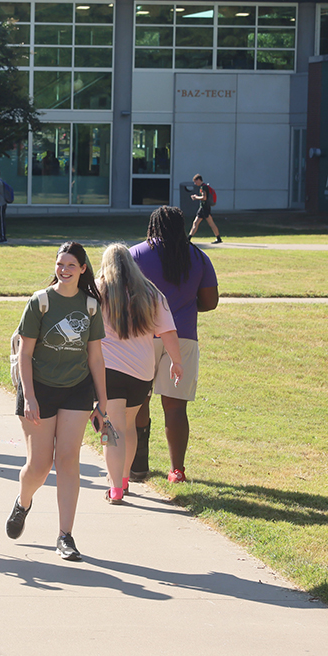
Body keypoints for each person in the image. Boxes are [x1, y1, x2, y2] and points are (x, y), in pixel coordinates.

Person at [7, 241, 108, 561]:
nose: (63, 270)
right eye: (59, 264)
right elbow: (24, 353)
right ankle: (24, 502)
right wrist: (30, 398)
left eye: (70, 265)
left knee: (68, 461)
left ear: (82, 269)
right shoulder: (40, 302)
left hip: (76, 388)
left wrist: (102, 404)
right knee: (39, 466)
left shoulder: (91, 305)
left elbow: (96, 358)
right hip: (39, 388)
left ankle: (65, 536)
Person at [130, 206, 218, 484]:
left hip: (141, 335)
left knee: (137, 401)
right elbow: (210, 302)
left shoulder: (135, 254)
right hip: (182, 336)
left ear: (152, 226)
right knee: (176, 408)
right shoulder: (198, 257)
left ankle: (138, 465)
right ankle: (176, 470)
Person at [96, 243, 182, 504]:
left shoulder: (99, 290)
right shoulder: (150, 292)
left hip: (107, 369)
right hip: (142, 371)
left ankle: (115, 489)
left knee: (112, 428)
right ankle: (123, 480)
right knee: (129, 426)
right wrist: (176, 362)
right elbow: (168, 331)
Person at [188, 174, 222, 244]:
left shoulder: (203, 187)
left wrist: (196, 197)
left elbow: (204, 197)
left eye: (195, 181)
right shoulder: (204, 186)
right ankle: (188, 238)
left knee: (208, 223)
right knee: (197, 223)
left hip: (204, 208)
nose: (195, 183)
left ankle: (188, 238)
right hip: (204, 207)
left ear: (199, 180)